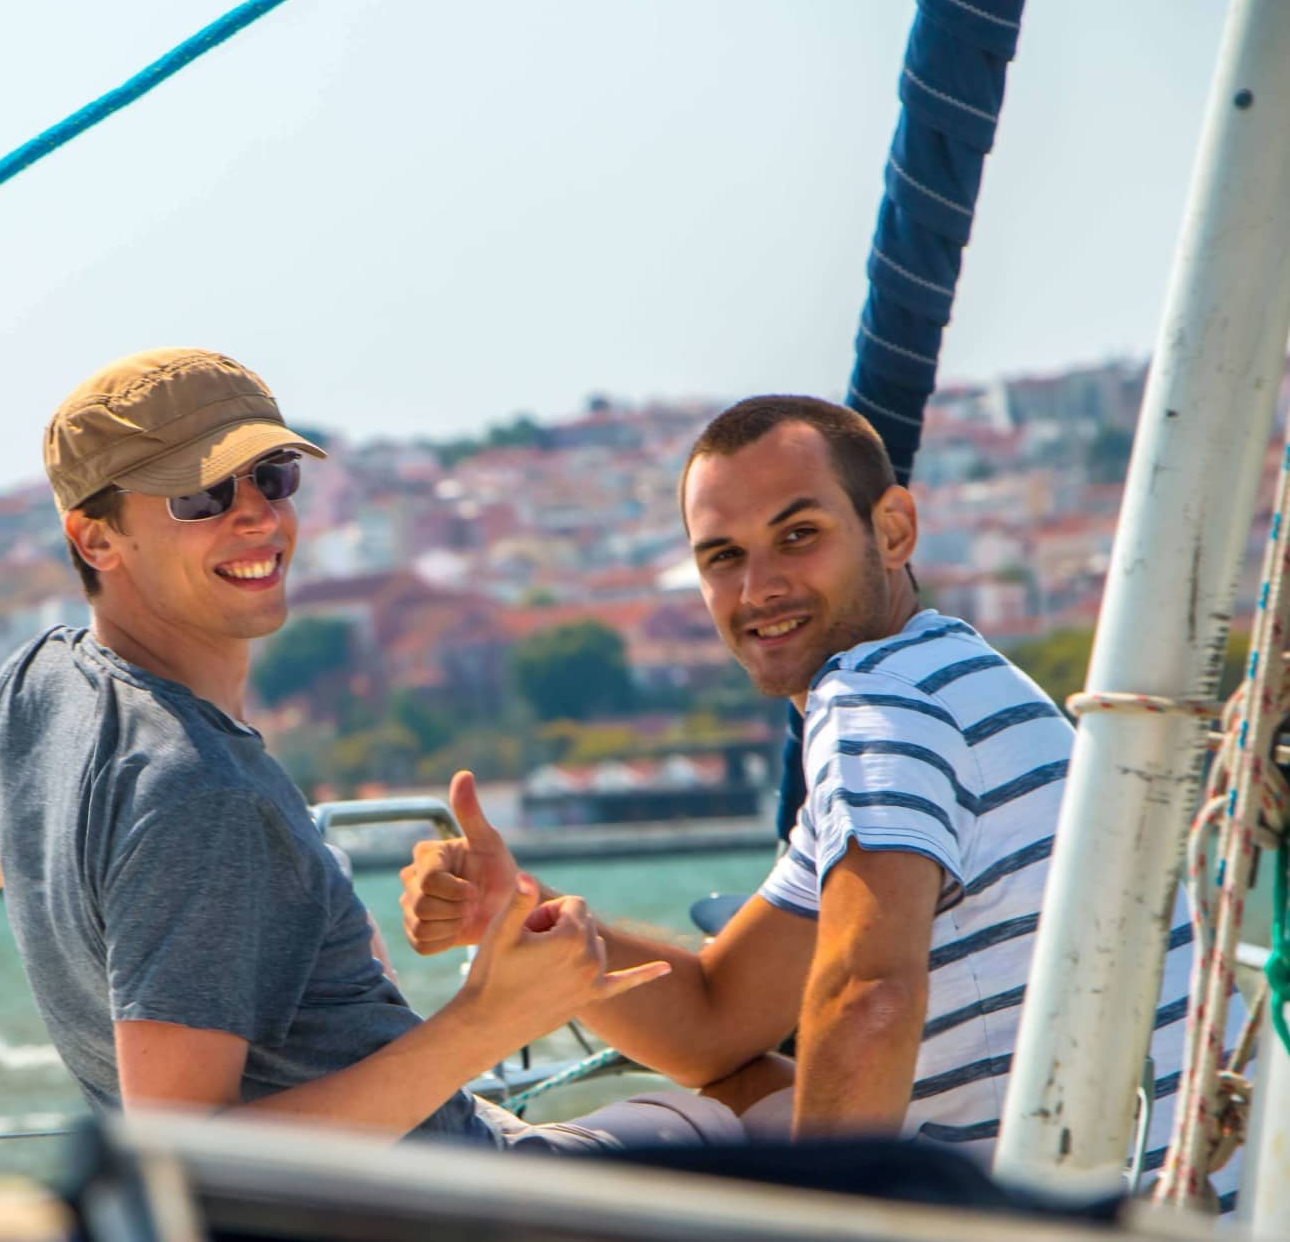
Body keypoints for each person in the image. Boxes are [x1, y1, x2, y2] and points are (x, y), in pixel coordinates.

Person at [0, 347, 743, 1149]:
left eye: (271, 475)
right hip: (455, 1205)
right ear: (94, 537)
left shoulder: (31, 687)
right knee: (776, 1102)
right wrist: (491, 1016)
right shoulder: (201, 792)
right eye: (201, 495)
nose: (256, 512)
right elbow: (189, 1158)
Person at [401, 395, 1204, 1173]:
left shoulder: (873, 701)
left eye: (798, 535)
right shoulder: (952, 677)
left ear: (892, 530)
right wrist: (515, 910)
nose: (759, 588)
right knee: (741, 1081)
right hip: (1171, 1191)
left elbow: (867, 996)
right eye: (724, 556)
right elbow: (716, 1022)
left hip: (1066, 1214)